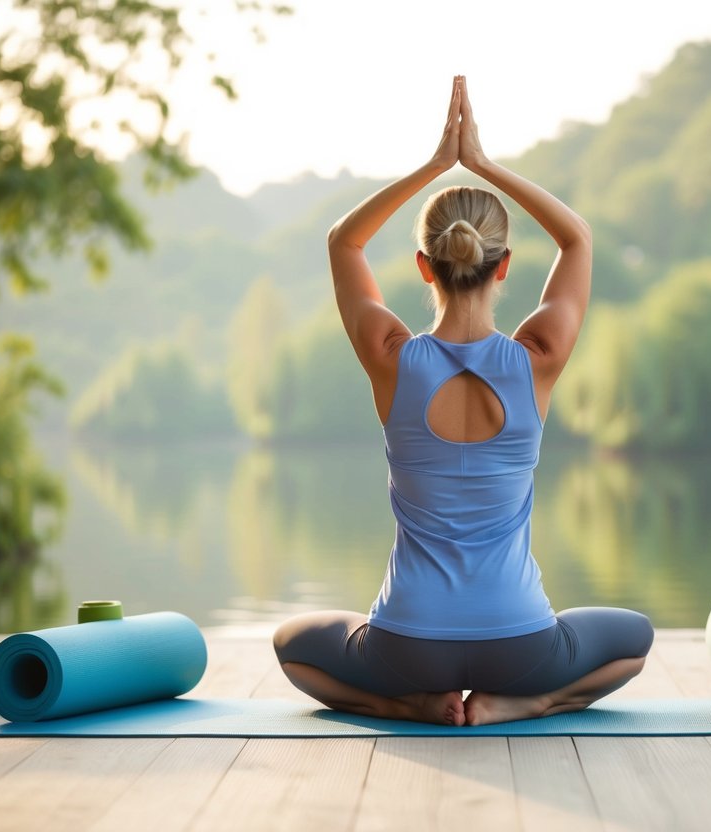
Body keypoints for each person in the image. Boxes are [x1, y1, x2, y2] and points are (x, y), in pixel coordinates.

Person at [273, 76, 653, 727]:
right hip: (521, 644)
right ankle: (523, 705)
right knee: (634, 642)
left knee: (291, 646)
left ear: (424, 266)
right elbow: (577, 241)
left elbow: (343, 241)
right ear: (502, 266)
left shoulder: (391, 357)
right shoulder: (538, 357)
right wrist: (483, 165)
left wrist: (431, 167)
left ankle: (409, 706)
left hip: (406, 646)